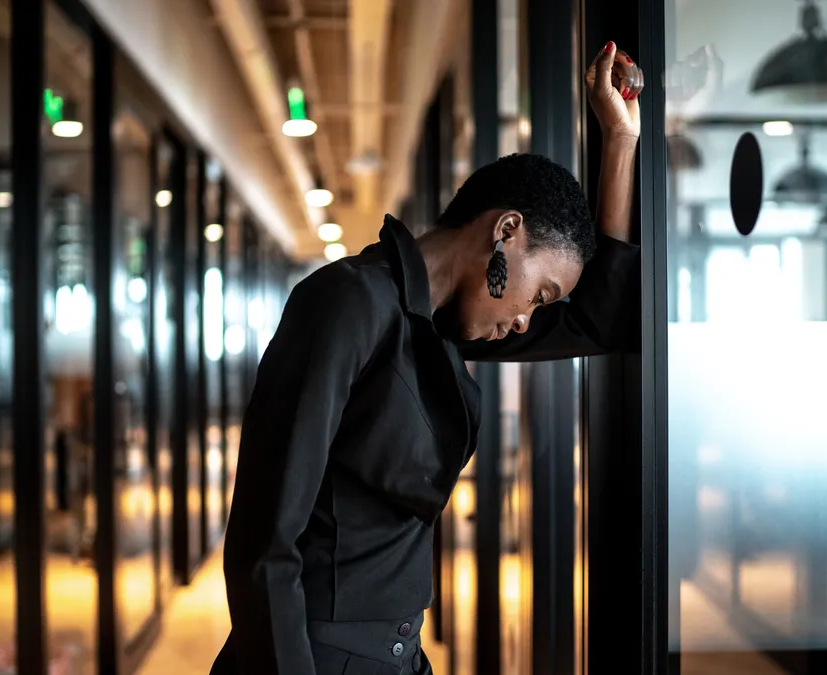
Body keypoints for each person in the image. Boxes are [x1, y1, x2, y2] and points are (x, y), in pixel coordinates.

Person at [210, 41, 644, 675]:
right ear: (505, 232)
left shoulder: (444, 328)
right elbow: (262, 543)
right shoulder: (348, 303)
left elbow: (598, 318)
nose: (528, 318)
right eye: (539, 292)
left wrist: (621, 141)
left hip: (400, 657)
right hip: (315, 658)